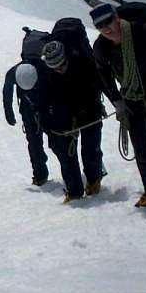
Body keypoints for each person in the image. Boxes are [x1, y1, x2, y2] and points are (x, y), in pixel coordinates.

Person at [90, 2, 146, 208]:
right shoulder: (101, 47)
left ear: (116, 18)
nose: (106, 28)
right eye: (100, 26)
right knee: (141, 147)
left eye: (108, 22)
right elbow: (102, 75)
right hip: (130, 97)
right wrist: (116, 100)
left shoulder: (143, 31)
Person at [40, 36, 107, 203]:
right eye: (55, 67)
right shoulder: (47, 74)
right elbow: (45, 101)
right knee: (66, 152)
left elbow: (98, 85)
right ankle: (75, 190)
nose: (59, 69)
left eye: (62, 65)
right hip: (65, 115)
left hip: (89, 110)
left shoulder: (84, 64)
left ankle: (94, 180)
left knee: (90, 148)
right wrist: (49, 125)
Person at [2, 54, 52, 186]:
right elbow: (7, 90)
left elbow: (7, 91)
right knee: (36, 143)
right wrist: (9, 113)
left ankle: (42, 175)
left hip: (40, 106)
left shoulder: (43, 69)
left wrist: (9, 112)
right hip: (31, 108)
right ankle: (40, 174)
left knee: (40, 142)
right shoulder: (14, 73)